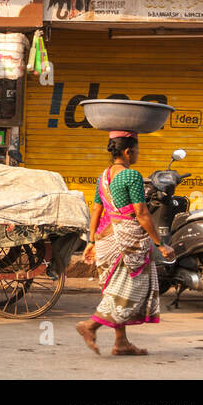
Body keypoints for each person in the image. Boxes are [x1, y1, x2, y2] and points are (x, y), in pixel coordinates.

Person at [77, 131, 173, 357]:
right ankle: (90, 326)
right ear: (128, 152)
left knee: (113, 289)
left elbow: (96, 209)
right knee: (129, 291)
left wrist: (91, 241)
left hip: (105, 238)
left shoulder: (104, 176)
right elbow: (141, 211)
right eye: (137, 149)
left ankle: (121, 343)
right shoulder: (131, 176)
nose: (138, 153)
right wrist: (160, 244)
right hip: (127, 240)